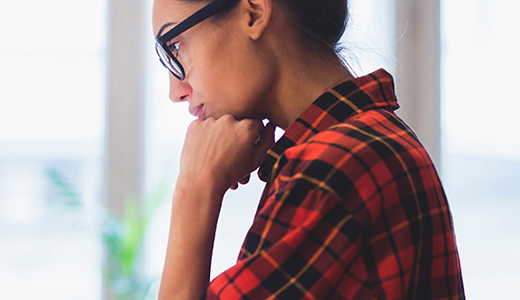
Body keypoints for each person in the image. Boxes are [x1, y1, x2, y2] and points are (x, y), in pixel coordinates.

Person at [151, 0, 465, 299]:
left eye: (175, 47)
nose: (175, 92)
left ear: (255, 13)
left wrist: (194, 190)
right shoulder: (369, 141)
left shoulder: (331, 168)